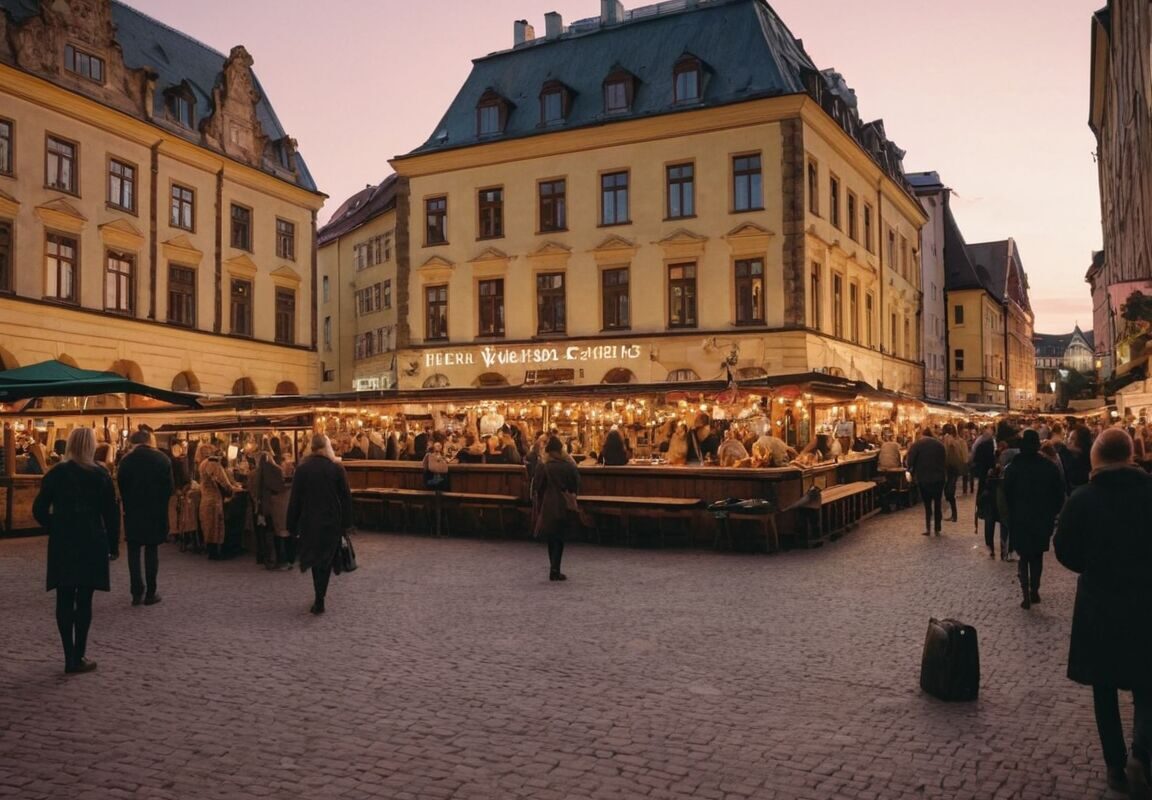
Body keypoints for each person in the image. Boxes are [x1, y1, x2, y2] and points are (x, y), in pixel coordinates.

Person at [1054, 428, 1152, 796]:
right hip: (1147, 602)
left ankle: (1115, 765)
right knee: (1148, 684)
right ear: (1130, 456)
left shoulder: (1082, 499)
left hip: (1101, 605)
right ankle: (1142, 753)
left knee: (1104, 687)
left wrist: (1090, 567)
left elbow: (1064, 550)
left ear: (1096, 458)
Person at [32, 427, 120, 674]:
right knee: (84, 600)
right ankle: (79, 653)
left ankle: (69, 655)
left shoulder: (56, 473)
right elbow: (111, 515)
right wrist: (113, 546)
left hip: (64, 542)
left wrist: (56, 525)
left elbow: (39, 509)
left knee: (64, 596)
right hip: (92, 540)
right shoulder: (100, 475)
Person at [287, 434, 353, 614]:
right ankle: (320, 596)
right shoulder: (336, 469)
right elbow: (346, 498)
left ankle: (319, 598)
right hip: (331, 520)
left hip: (310, 521)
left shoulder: (302, 470)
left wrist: (291, 523)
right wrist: (347, 523)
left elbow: (295, 500)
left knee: (317, 560)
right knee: (327, 558)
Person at [1003, 429, 1065, 609]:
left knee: (1023, 556)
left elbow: (1007, 493)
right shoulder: (1048, 467)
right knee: (1037, 556)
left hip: (1020, 517)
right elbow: (1058, 493)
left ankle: (1025, 594)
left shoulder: (1014, 467)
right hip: (1041, 518)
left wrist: (1012, 511)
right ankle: (1034, 590)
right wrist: (1052, 512)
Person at [117, 430, 174, 606]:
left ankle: (136, 592)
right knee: (152, 550)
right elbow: (169, 488)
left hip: (133, 511)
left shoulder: (126, 461)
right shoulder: (162, 459)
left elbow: (121, 486)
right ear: (150, 441)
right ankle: (151, 592)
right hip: (155, 511)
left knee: (133, 552)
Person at [531, 435, 580, 582]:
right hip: (563, 504)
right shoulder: (568, 465)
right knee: (560, 537)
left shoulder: (543, 465)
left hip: (547, 504)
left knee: (551, 537)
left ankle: (553, 567)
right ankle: (556, 568)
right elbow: (575, 485)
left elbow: (537, 486)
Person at [251, 437, 292, 570]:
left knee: (265, 533)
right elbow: (280, 487)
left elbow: (254, 489)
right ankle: (280, 561)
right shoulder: (275, 470)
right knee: (278, 533)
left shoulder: (257, 473)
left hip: (262, 507)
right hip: (274, 506)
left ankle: (266, 559)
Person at [198, 445, 239, 560]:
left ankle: (211, 551)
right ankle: (216, 552)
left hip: (205, 498)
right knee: (216, 526)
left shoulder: (202, 464)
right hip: (214, 499)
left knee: (208, 525)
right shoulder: (213, 463)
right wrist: (231, 490)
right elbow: (222, 481)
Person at [906, 428, 947, 536]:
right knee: (937, 502)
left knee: (927, 504)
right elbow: (944, 460)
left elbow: (910, 461)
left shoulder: (917, 445)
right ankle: (937, 527)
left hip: (924, 478)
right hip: (939, 478)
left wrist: (911, 470)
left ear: (922, 435)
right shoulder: (940, 445)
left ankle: (928, 528)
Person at [941, 423, 968, 523]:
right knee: (948, 490)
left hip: (953, 468)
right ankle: (953, 514)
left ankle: (954, 515)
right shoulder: (952, 440)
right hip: (950, 468)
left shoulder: (954, 441)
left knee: (950, 491)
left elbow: (963, 456)